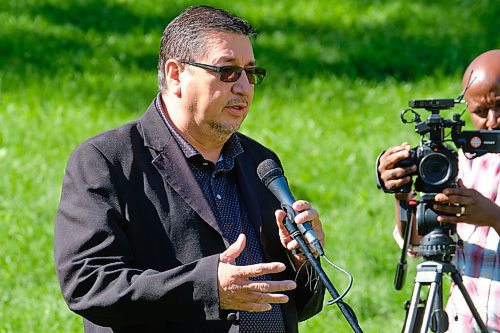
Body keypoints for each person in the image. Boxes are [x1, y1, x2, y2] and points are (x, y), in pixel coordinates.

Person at [54, 5, 325, 333]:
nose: (243, 87)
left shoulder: (260, 162)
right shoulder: (105, 161)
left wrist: (302, 261)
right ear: (175, 74)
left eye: (250, 73)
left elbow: (297, 305)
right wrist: (208, 286)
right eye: (227, 71)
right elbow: (89, 284)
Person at [376, 49, 499, 332]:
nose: (492, 120)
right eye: (480, 112)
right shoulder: (460, 166)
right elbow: (419, 245)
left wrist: (493, 217)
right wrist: (402, 194)